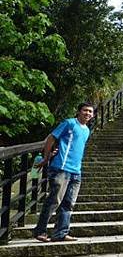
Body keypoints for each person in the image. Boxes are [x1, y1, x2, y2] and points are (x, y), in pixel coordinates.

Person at [32, 102, 94, 242]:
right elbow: (51, 138)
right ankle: (40, 231)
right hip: (61, 168)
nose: (88, 114)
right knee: (54, 200)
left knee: (68, 203)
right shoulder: (69, 123)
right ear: (78, 112)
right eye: (85, 110)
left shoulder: (86, 130)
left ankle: (60, 233)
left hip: (76, 171)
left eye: (90, 111)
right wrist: (46, 158)